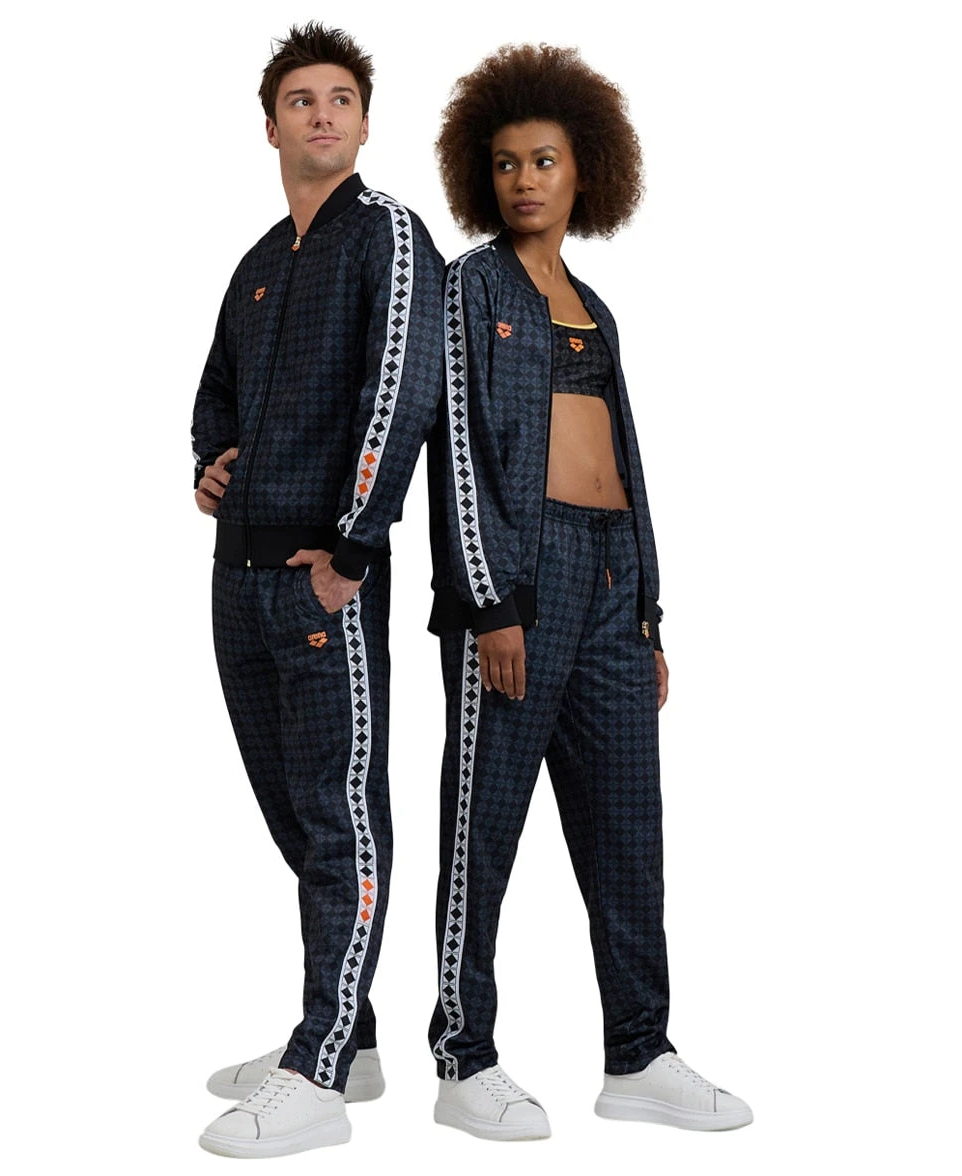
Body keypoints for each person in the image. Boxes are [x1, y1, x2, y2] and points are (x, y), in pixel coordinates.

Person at [425, 44, 751, 1140]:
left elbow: (628, 461)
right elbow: (460, 455)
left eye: (546, 160)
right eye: (507, 162)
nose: (525, 179)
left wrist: (648, 613)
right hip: (519, 583)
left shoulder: (596, 310)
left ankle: (640, 1053)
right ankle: (464, 1057)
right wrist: (489, 603)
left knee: (628, 829)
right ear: (484, 176)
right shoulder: (468, 289)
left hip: (612, 582)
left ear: (584, 172)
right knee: (483, 829)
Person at [191, 23, 443, 1159]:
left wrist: (353, 548)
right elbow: (215, 393)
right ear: (272, 126)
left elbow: (404, 390)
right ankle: (354, 1034)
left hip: (319, 582)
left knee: (342, 820)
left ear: (365, 121)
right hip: (236, 580)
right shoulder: (256, 264)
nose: (323, 114)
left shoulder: (387, 234)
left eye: (341, 98)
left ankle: (319, 1067)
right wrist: (207, 461)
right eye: (302, 100)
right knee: (295, 816)